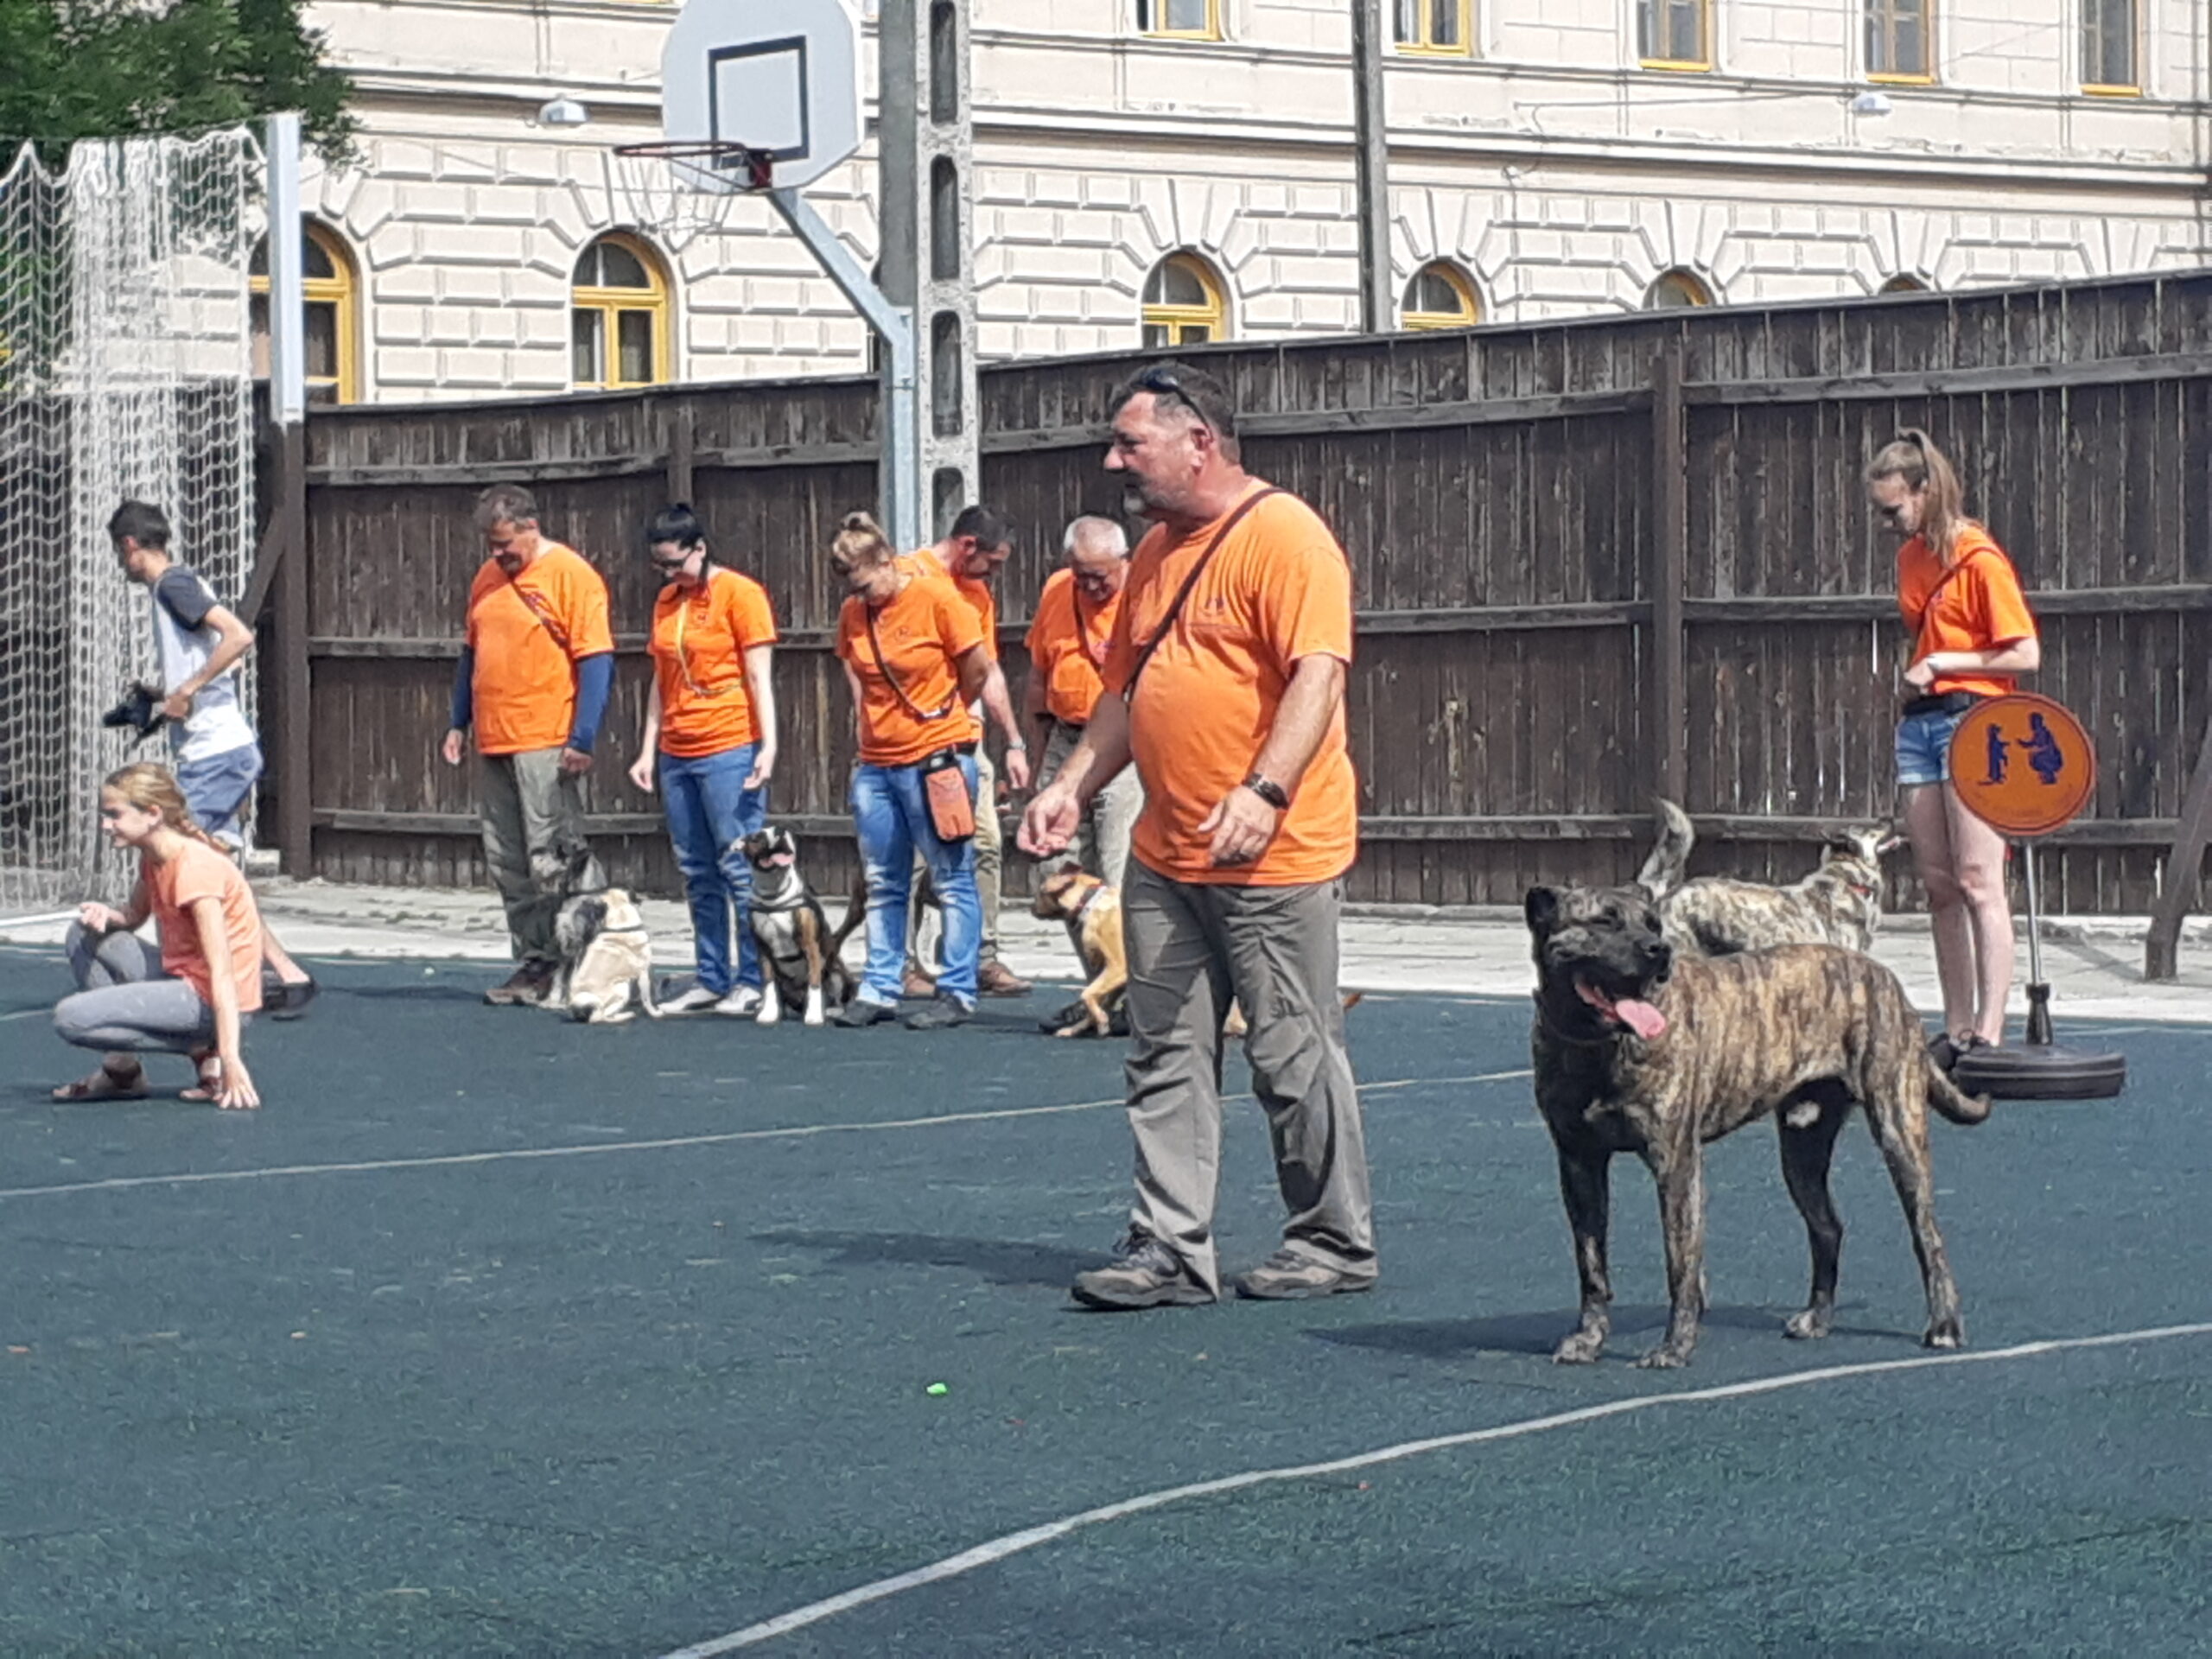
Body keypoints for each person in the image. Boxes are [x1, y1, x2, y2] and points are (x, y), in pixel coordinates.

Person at [1020, 362, 1376, 1311]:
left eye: (1130, 443)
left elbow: (1317, 677)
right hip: (1165, 853)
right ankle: (1168, 1249)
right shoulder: (1151, 557)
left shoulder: (1285, 537)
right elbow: (1124, 696)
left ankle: (1332, 1241)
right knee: (1163, 1048)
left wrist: (1265, 787)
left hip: (1273, 855)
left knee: (1290, 1052)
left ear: (1198, 443)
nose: (1113, 461)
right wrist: (1070, 785)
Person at [1866, 429, 2041, 1065]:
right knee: (1938, 882)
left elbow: (2024, 652)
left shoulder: (1979, 558)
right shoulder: (1912, 558)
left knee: (1977, 878)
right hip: (1922, 724)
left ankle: (1992, 1031)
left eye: (1894, 510)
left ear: (1926, 491)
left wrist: (1942, 662)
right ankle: (1957, 1025)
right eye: (1880, 512)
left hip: (1978, 724)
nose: (1887, 523)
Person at [107, 500, 315, 1016]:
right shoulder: (177, 588)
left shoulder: (172, 586)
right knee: (215, 864)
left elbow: (238, 636)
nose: (121, 563)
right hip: (216, 749)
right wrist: (163, 694)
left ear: (131, 546)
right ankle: (285, 974)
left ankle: (236, 968)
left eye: (120, 552)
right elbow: (210, 663)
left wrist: (189, 689)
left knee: (170, 847)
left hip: (216, 751)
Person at [441, 484, 616, 1007]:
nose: (498, 556)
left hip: (545, 736)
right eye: (491, 547)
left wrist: (582, 737)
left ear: (531, 528)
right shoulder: (487, 579)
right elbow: (471, 656)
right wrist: (458, 722)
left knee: (555, 853)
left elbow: (596, 659)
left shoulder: (571, 575)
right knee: (508, 859)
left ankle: (591, 954)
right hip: (495, 737)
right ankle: (536, 959)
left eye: (505, 545)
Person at [831, 511, 995, 1030]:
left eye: (867, 582)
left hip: (935, 756)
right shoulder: (854, 614)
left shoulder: (939, 599)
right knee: (882, 878)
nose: (864, 596)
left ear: (887, 562)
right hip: (877, 761)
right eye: (853, 587)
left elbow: (978, 667)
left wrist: (950, 713)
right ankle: (881, 983)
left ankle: (958, 988)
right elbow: (852, 670)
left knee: (952, 875)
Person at [626, 505, 780, 1016]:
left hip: (729, 744)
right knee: (696, 869)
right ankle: (711, 975)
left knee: (738, 864)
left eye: (677, 564)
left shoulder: (741, 594)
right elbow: (660, 680)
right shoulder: (667, 603)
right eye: (661, 568)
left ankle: (752, 979)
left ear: (700, 548)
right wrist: (648, 748)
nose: (671, 576)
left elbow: (760, 675)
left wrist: (769, 745)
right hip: (677, 749)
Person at [50, 762, 264, 1109]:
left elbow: (222, 972)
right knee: (83, 933)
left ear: (152, 814)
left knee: (70, 1018)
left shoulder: (195, 870)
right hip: (182, 978)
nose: (106, 826)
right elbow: (133, 917)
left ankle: (203, 1047)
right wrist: (107, 915)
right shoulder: (154, 857)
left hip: (214, 1000)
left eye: (114, 815)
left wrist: (231, 1058)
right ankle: (123, 1073)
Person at [898, 505, 1033, 1001]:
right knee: (911, 857)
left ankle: (982, 956)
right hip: (913, 740)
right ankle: (903, 963)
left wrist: (1013, 742)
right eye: (992, 562)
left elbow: (987, 669)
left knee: (987, 844)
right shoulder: (908, 577)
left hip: (966, 739)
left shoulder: (976, 593)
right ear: (968, 546)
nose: (995, 574)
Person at [1023, 515, 1144, 887]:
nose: (1091, 585)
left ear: (1124, 561)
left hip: (1122, 743)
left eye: (1101, 576)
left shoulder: (1143, 592)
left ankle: (1120, 945)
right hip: (1065, 735)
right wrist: (1035, 753)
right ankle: (1088, 946)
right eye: (1082, 575)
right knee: (1058, 870)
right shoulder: (1058, 590)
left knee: (1115, 859)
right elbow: (1038, 676)